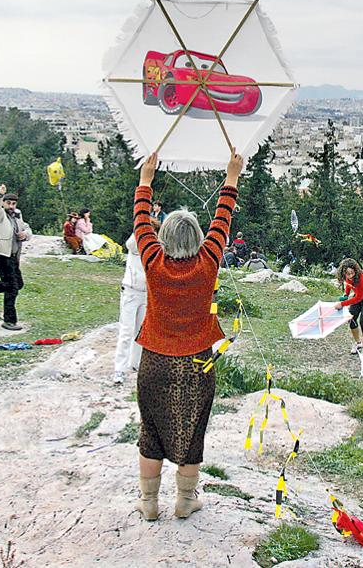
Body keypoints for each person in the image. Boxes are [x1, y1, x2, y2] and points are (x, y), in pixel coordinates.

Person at [131, 149, 242, 522]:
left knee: (151, 431)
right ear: (197, 237)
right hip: (198, 362)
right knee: (192, 432)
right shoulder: (209, 259)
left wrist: (146, 180)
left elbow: (140, 222)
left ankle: (148, 504)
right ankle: (185, 499)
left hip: (155, 361)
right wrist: (231, 176)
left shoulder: (152, 260)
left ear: (162, 238)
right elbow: (222, 219)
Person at [0, 185, 32, 331]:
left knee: (19, 284)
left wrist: (26, 234)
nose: (11, 206)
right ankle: (9, 320)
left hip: (12, 255)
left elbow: (26, 228)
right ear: (3, 203)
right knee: (12, 286)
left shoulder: (17, 215)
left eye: (13, 203)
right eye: (8, 203)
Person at [112, 229, 153, 385]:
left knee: (141, 331)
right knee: (126, 331)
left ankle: (135, 364)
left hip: (145, 294)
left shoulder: (154, 248)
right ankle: (119, 369)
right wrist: (141, 229)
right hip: (130, 291)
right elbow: (130, 244)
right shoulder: (134, 246)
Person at [332, 258, 363, 357]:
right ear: (343, 272)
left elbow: (358, 298)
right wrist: (346, 294)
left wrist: (342, 304)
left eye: (352, 273)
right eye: (347, 273)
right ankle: (358, 344)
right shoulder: (346, 277)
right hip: (360, 295)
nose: (350, 276)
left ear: (356, 271)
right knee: (351, 318)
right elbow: (349, 284)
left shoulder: (361, 278)